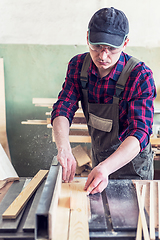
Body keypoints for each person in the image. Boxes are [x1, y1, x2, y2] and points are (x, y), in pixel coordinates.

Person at [51, 7, 156, 195]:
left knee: (133, 220)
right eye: (97, 46)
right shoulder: (77, 67)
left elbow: (140, 131)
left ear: (125, 43)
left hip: (133, 168)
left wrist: (106, 168)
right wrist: (64, 148)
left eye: (112, 49)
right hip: (100, 161)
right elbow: (62, 108)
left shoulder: (140, 76)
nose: (103, 56)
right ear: (87, 38)